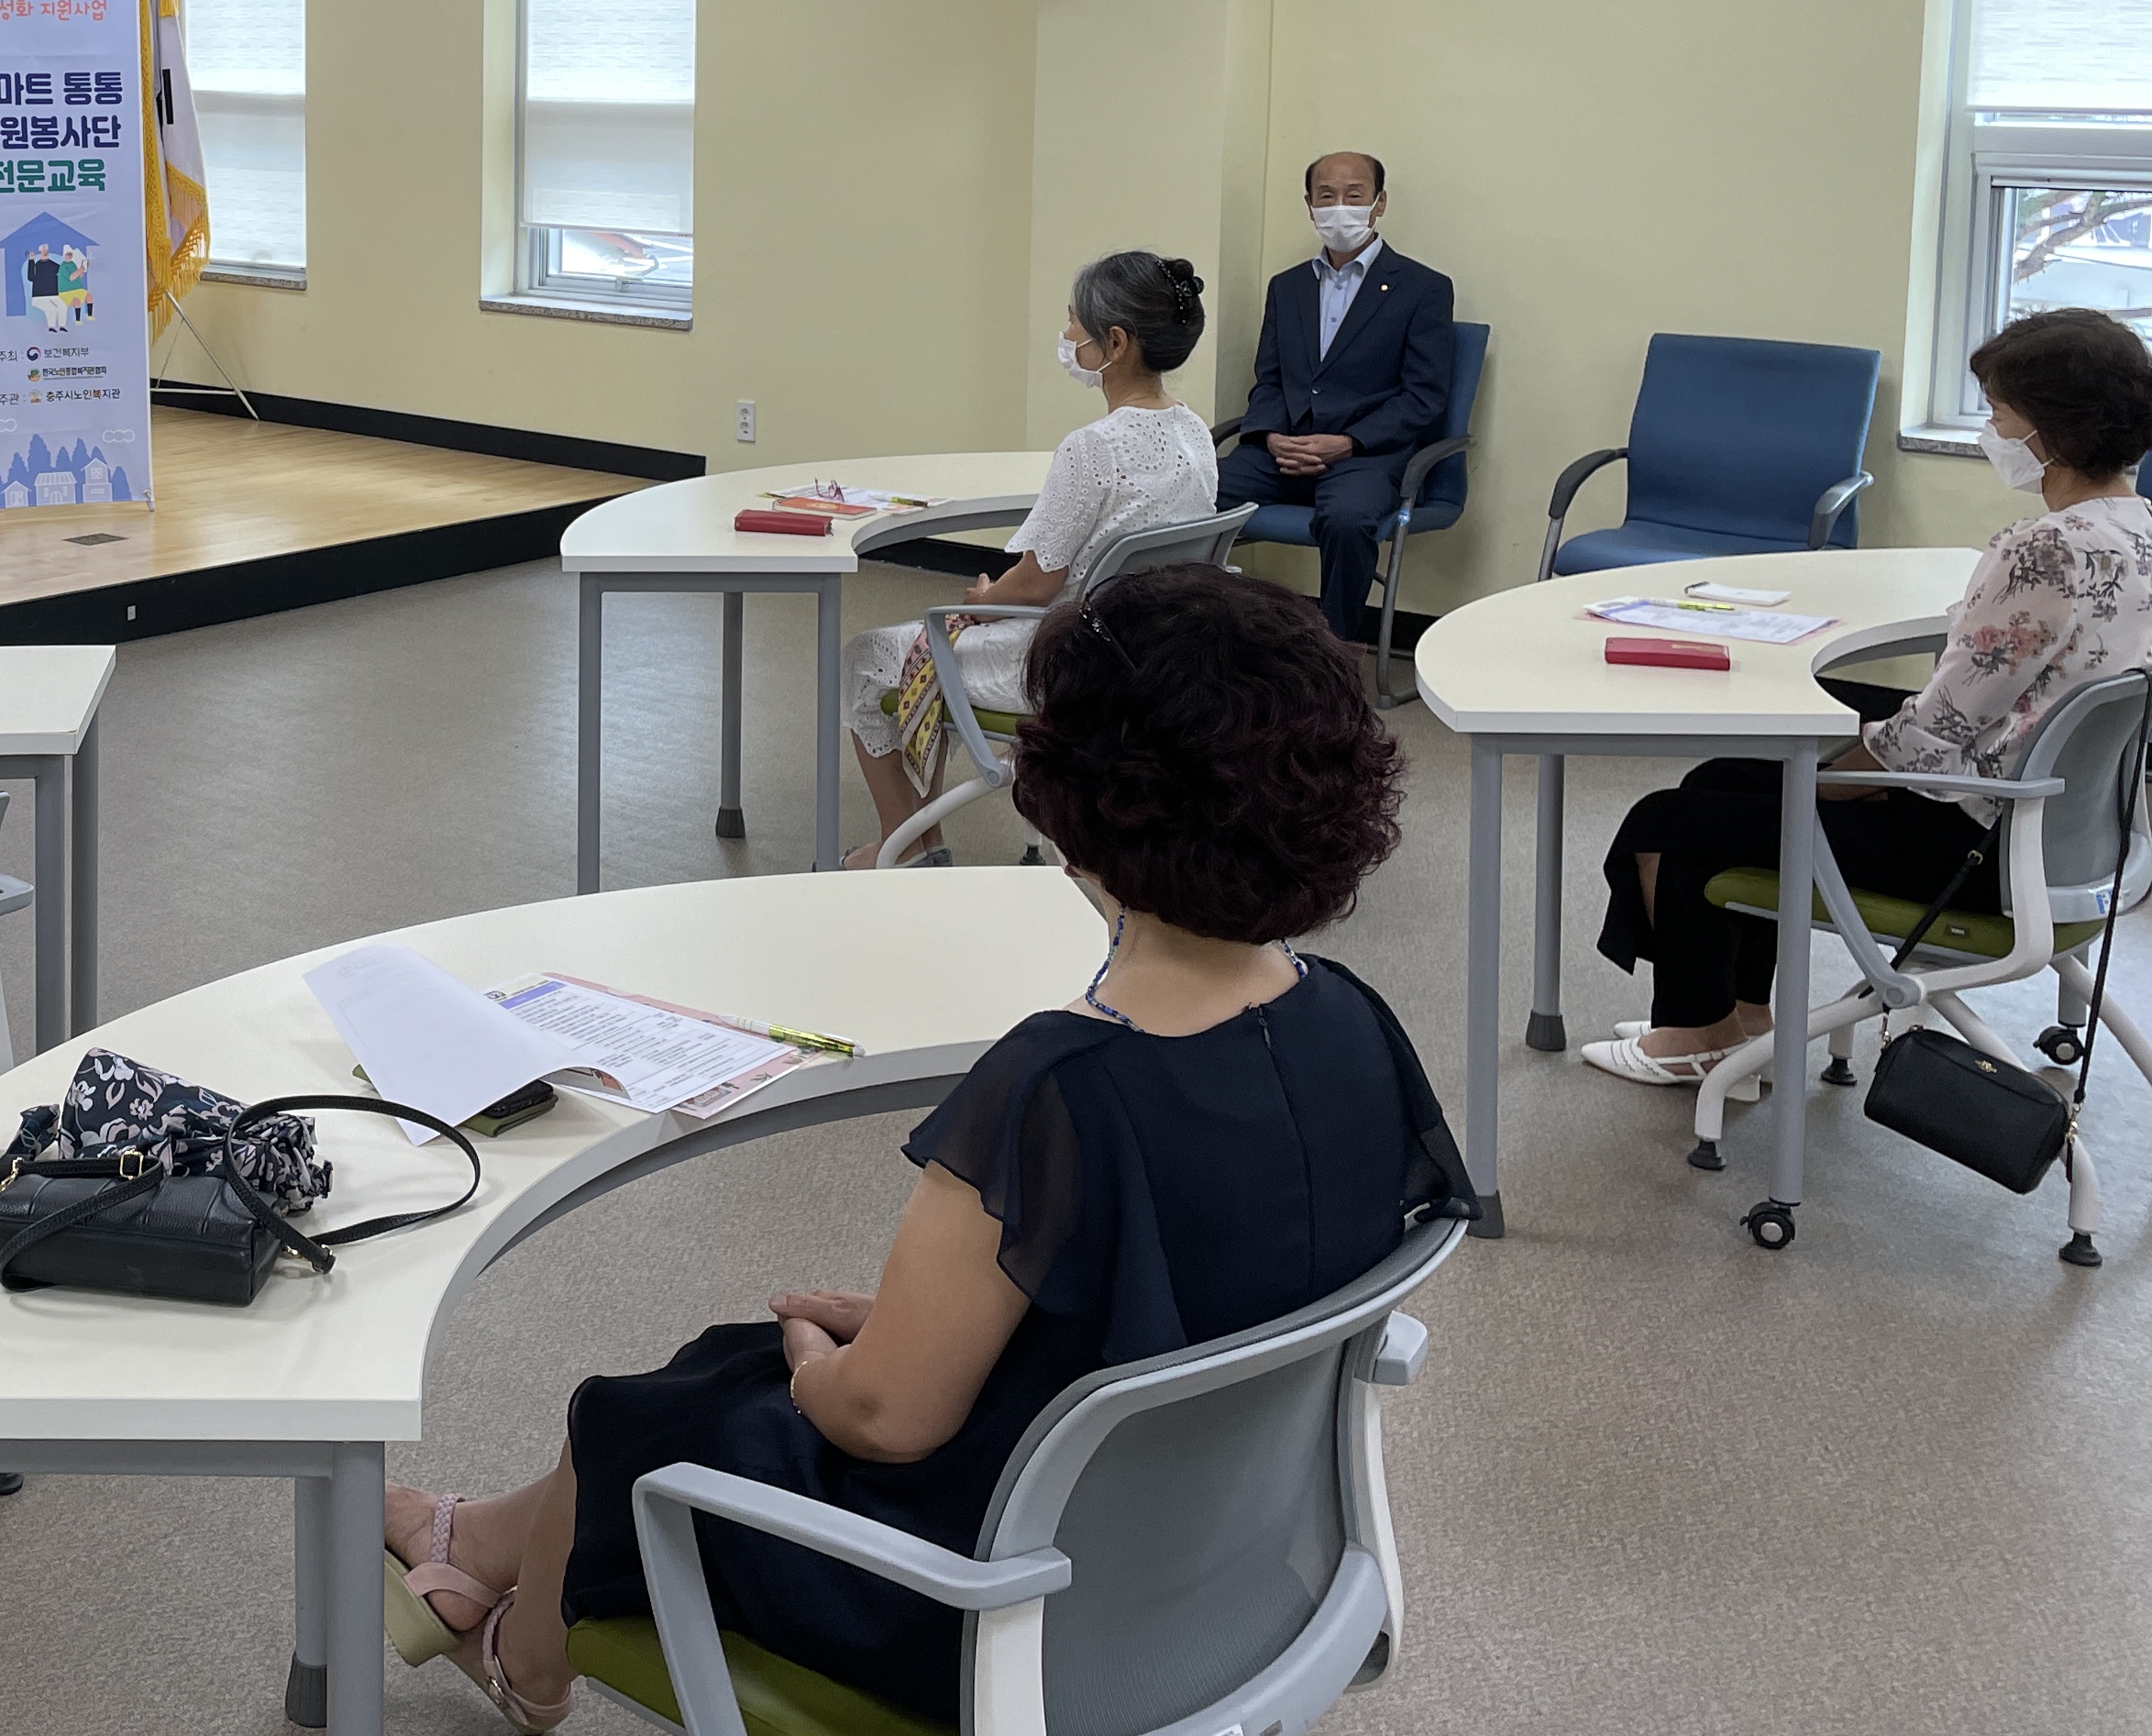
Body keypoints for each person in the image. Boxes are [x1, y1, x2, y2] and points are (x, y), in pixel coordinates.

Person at [382, 564, 1466, 1728]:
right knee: (718, 1369)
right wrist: (930, 1333)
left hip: (995, 1599)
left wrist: (820, 1366)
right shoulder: (1352, 1020)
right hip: (1204, 1544)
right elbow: (1238, 1260)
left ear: (1076, 800)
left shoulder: (1060, 1087)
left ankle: (521, 1664)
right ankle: (471, 1545)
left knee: (635, 1418)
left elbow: (885, 1422)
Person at [1586, 308, 2152, 1094]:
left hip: (1970, 845)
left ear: (2051, 432)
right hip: (2072, 838)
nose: (1991, 431)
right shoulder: (2140, 531)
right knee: (1722, 778)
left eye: (1998, 414)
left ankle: (1694, 1037)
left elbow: (1932, 733)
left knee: (1668, 820)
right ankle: (1743, 1021)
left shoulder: (2044, 550)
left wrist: (1829, 777)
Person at [838, 251, 1215, 868]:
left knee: (867, 657)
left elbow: (1037, 585)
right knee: (929, 648)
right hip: (1154, 658)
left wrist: (985, 600)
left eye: (1074, 321)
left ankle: (903, 846)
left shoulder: (1092, 448)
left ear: (1115, 343)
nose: (1066, 335)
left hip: (1069, 661)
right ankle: (921, 842)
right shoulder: (1195, 433)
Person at [1217, 151, 1457, 645]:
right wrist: (1270, 435)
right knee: (1189, 492)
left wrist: (1347, 442)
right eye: (1326, 196)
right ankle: (1191, 636)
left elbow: (1423, 396)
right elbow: (1269, 379)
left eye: (1354, 195)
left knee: (1347, 521)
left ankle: (1334, 654)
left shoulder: (1424, 289)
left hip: (1365, 456)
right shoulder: (1287, 287)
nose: (1339, 208)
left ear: (1379, 203)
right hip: (1282, 450)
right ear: (1309, 206)